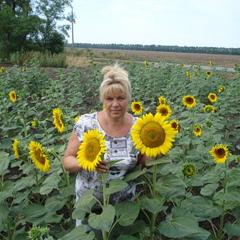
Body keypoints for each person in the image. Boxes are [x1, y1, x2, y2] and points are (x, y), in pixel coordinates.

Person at [63, 63, 150, 232]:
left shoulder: (139, 128)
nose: (115, 104)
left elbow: (141, 163)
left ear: (128, 98)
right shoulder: (87, 124)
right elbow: (68, 160)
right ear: (103, 100)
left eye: (121, 98)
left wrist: (158, 152)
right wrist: (87, 163)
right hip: (89, 204)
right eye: (109, 99)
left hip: (124, 207)